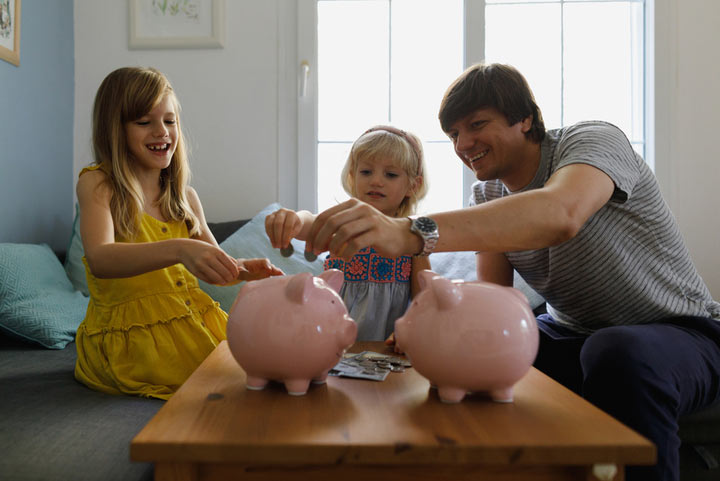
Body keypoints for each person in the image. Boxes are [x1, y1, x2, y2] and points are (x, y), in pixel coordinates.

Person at [299, 63, 720, 481]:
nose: (464, 144)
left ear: (526, 119)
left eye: (477, 124)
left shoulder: (591, 141)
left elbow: (560, 213)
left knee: (617, 352)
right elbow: (492, 303)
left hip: (684, 331)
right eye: (453, 135)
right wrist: (425, 331)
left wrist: (410, 232)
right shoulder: (487, 195)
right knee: (479, 353)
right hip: (575, 335)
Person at [74, 67, 284, 400]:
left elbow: (215, 267)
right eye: (144, 122)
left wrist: (243, 270)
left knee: (276, 370)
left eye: (170, 121)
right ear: (116, 130)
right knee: (243, 387)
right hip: (132, 340)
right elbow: (100, 259)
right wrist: (180, 249)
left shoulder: (185, 198)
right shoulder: (99, 184)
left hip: (193, 323)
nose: (162, 132)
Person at [265, 125, 430, 341]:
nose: (376, 181)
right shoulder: (343, 222)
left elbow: (423, 298)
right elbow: (311, 222)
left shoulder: (412, 236)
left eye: (390, 174)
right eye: (366, 171)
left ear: (413, 186)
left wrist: (411, 328)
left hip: (386, 349)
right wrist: (294, 220)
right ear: (352, 177)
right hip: (327, 340)